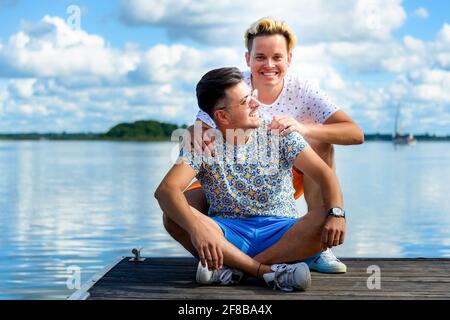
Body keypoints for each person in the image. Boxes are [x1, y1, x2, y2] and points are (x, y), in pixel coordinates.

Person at [165, 17, 364, 274]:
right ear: (248, 58)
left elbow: (354, 133)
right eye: (260, 57)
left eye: (277, 57)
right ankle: (261, 264)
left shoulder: (302, 91)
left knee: (320, 144)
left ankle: (243, 264)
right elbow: (205, 122)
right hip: (229, 188)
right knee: (179, 208)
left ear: (289, 59)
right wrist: (193, 132)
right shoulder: (233, 86)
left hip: (281, 181)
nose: (268, 64)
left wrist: (303, 129)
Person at [155, 67, 346, 292]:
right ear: (222, 116)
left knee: (326, 215)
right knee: (174, 216)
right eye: (246, 101)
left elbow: (325, 175)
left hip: (282, 234)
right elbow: (166, 190)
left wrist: (337, 214)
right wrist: (197, 228)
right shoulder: (204, 143)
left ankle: (236, 269)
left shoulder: (279, 132)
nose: (257, 104)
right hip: (227, 234)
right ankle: (268, 272)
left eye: (252, 96)